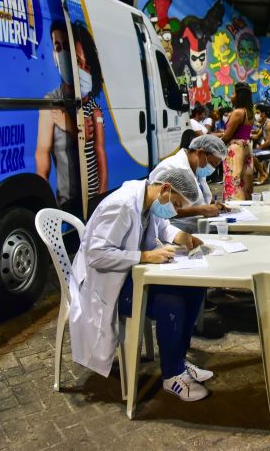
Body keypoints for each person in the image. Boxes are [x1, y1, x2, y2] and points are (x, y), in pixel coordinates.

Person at [68, 169, 212, 402]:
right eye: (175, 203)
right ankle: (172, 376)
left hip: (129, 275)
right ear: (165, 188)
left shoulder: (147, 198)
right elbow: (97, 255)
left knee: (195, 289)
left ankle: (179, 361)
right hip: (106, 285)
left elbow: (163, 227)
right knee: (171, 303)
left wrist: (182, 237)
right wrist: (144, 256)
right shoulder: (122, 205)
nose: (174, 210)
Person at [35, 20, 80, 209]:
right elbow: (41, 157)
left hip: (92, 195)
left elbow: (96, 150)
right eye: (57, 46)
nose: (61, 53)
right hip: (67, 203)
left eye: (66, 47)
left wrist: (70, 126)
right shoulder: (51, 102)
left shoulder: (88, 99)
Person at [149, 134, 228, 233]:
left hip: (197, 226)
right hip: (175, 229)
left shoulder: (198, 168)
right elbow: (160, 209)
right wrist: (201, 210)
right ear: (200, 153)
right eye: (212, 164)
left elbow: (199, 199)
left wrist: (213, 205)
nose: (212, 168)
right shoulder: (171, 168)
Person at [72, 22, 109, 201]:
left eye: (87, 67)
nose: (82, 71)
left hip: (92, 192)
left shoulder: (95, 110)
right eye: (78, 63)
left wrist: (101, 195)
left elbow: (99, 150)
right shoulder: (65, 105)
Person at [216, 83, 255, 200]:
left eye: (233, 93)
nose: (231, 96)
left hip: (236, 149)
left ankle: (235, 205)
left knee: (234, 178)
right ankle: (246, 204)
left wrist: (216, 144)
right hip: (246, 147)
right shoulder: (249, 112)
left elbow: (228, 136)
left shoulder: (238, 112)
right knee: (245, 179)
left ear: (239, 96)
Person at [252, 103, 270, 185]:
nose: (256, 115)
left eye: (258, 112)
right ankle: (263, 173)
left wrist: (256, 149)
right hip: (267, 149)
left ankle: (263, 174)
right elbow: (256, 136)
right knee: (250, 153)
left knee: (252, 154)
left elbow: (268, 142)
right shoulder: (264, 123)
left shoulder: (269, 124)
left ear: (263, 113)